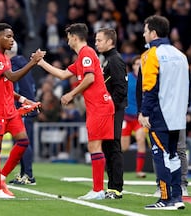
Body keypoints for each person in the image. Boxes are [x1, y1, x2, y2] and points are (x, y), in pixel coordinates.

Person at [38, 23, 115, 200]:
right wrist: (40, 63)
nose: (67, 40)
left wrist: (71, 94)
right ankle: (98, 189)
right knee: (94, 146)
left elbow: (90, 78)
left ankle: (98, 190)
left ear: (74, 37)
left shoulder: (86, 53)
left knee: (95, 146)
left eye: (68, 37)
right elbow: (64, 74)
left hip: (100, 106)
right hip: (97, 106)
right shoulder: (82, 56)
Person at [0, 23, 45, 199]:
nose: (12, 40)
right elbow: (12, 77)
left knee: (23, 142)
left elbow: (7, 85)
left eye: (12, 36)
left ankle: (1, 177)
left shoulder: (4, 57)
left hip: (9, 108)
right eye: (8, 37)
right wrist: (33, 62)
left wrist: (24, 100)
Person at [138, 15, 189, 210]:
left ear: (153, 32)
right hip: (177, 115)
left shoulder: (152, 54)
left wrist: (145, 112)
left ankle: (165, 199)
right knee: (174, 156)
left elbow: (149, 87)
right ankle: (177, 197)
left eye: (145, 30)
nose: (143, 34)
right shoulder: (180, 55)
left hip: (160, 115)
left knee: (161, 156)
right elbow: (187, 84)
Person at [95, 28, 127, 199]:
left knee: (113, 147)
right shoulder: (108, 59)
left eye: (99, 40)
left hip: (113, 110)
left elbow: (120, 89)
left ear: (109, 41)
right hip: (110, 109)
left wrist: (110, 107)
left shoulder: (114, 60)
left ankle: (116, 188)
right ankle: (112, 186)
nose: (96, 43)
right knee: (108, 147)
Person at [5, 41, 37, 185]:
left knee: (23, 141)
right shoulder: (22, 63)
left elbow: (15, 86)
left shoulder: (14, 65)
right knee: (21, 141)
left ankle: (28, 175)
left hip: (22, 107)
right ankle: (24, 173)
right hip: (26, 105)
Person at [120, 55, 147, 178]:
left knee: (141, 140)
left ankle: (139, 171)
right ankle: (110, 163)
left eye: (140, 63)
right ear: (133, 66)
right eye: (136, 64)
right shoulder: (128, 78)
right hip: (126, 117)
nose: (139, 66)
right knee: (123, 147)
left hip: (139, 117)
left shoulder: (147, 79)